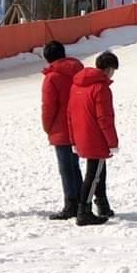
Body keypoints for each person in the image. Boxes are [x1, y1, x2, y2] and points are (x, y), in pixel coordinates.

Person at [67, 51, 120, 226]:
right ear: (108, 69)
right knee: (94, 174)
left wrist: (73, 139)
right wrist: (112, 142)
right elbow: (105, 118)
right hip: (95, 137)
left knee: (97, 171)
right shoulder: (101, 88)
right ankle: (84, 210)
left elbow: (70, 114)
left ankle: (101, 205)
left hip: (81, 135)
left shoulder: (77, 86)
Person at [41, 41, 84, 220]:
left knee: (65, 168)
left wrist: (47, 127)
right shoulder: (79, 71)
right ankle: (82, 200)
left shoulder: (52, 77)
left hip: (60, 128)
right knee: (74, 165)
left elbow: (48, 106)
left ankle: (71, 203)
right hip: (79, 124)